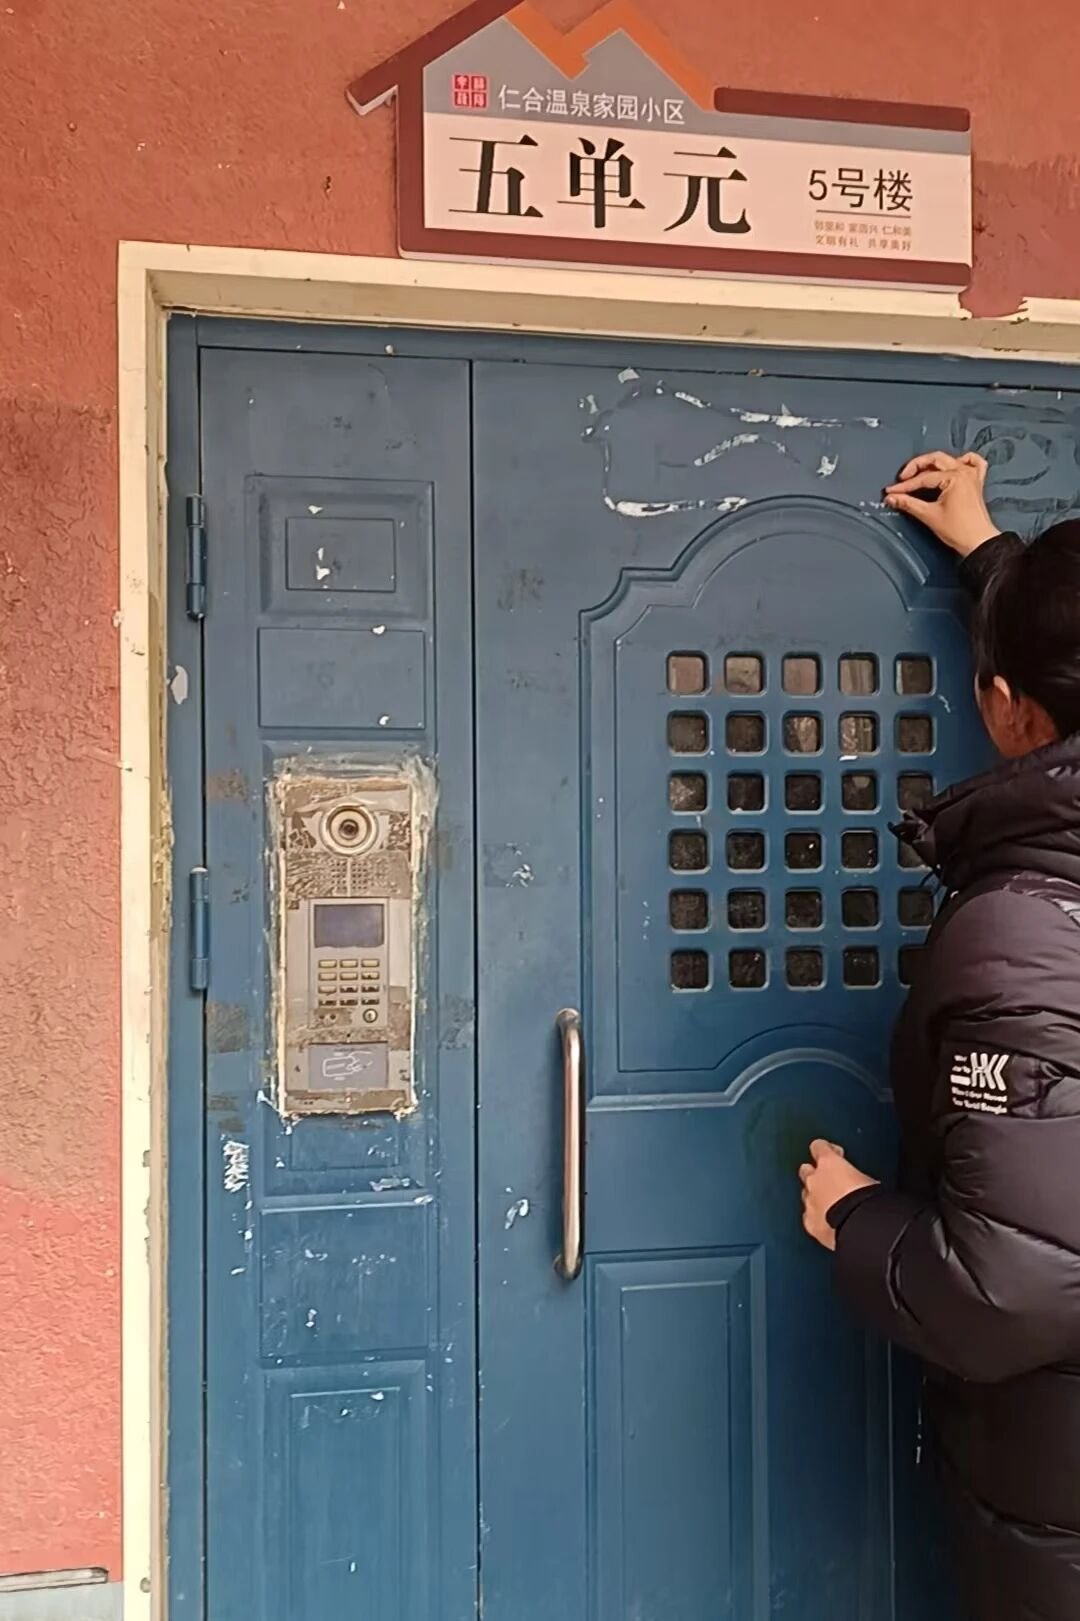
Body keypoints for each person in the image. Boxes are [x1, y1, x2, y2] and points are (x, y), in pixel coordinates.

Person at [799, 449, 1080, 1621]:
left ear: (1007, 705)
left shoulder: (1026, 928)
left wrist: (854, 1215)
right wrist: (997, 563)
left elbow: (1013, 1289)